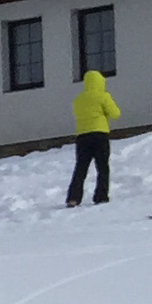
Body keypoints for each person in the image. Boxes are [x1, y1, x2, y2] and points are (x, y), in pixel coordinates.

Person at [66, 66, 119, 205]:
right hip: (100, 134)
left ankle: (73, 198)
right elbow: (115, 113)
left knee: (81, 168)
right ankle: (101, 196)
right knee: (102, 167)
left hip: (82, 136)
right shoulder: (103, 96)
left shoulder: (78, 100)